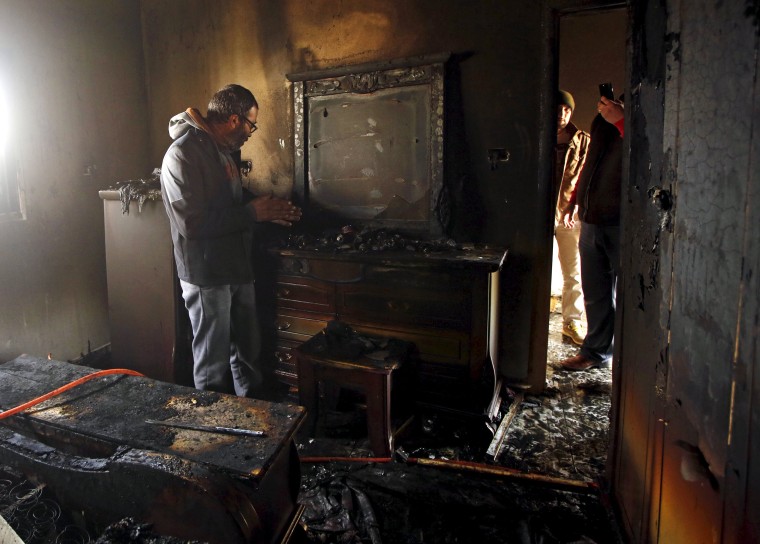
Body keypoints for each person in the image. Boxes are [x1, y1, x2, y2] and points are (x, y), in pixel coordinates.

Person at [160, 83, 302, 397]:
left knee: (247, 354)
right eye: (252, 123)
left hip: (237, 267)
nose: (252, 131)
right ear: (235, 119)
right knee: (213, 364)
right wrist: (253, 213)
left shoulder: (222, 151)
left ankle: (252, 420)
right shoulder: (182, 154)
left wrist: (267, 208)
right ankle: (213, 433)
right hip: (207, 274)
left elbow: (229, 200)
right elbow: (191, 223)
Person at [559, 94, 624, 371]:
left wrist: (621, 121)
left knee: (626, 294)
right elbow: (589, 167)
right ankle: (595, 352)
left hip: (622, 221)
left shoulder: (645, 114)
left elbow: (650, 151)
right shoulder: (602, 122)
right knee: (595, 291)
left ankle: (627, 361)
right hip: (592, 218)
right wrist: (578, 203)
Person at [553, 90, 591, 345]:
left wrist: (577, 204)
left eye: (567, 110)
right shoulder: (535, 134)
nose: (562, 114)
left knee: (573, 271)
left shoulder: (583, 140)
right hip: (537, 214)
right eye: (559, 109)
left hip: (567, 214)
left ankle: (572, 321)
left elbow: (588, 176)